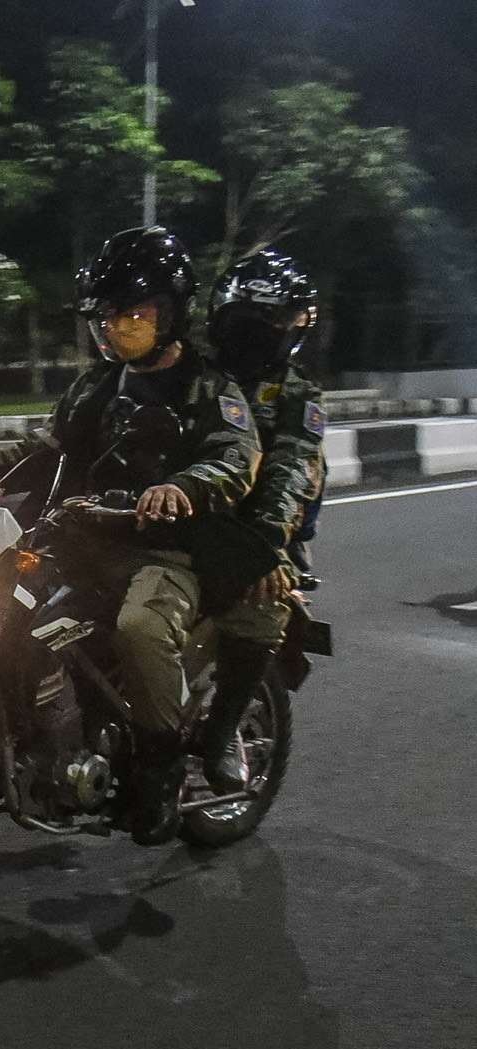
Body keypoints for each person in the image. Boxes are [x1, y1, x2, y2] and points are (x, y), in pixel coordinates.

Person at [0, 226, 260, 844]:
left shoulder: (210, 388)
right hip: (78, 543)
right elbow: (39, 452)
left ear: (172, 313)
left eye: (134, 314)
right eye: (108, 317)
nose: (117, 328)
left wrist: (184, 486)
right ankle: (29, 739)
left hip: (166, 550)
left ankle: (160, 761)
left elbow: (236, 457)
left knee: (141, 628)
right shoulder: (96, 386)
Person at [196, 248, 327, 793]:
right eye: (242, 322)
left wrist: (264, 544)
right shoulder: (194, 376)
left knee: (259, 603)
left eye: (267, 324)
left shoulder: (297, 394)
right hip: (193, 522)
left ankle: (222, 729)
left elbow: (292, 473)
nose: (253, 336)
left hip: (266, 537)